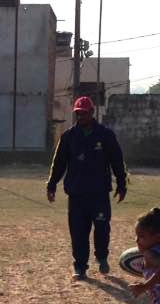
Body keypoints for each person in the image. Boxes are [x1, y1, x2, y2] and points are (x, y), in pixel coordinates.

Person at [46, 95, 128, 280]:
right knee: (78, 232)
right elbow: (59, 163)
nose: (80, 117)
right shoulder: (68, 137)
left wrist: (121, 184)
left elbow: (117, 161)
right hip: (76, 194)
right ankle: (80, 267)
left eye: (84, 113)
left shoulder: (106, 135)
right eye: (78, 113)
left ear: (92, 112)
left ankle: (102, 257)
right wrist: (52, 184)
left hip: (99, 193)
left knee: (102, 228)